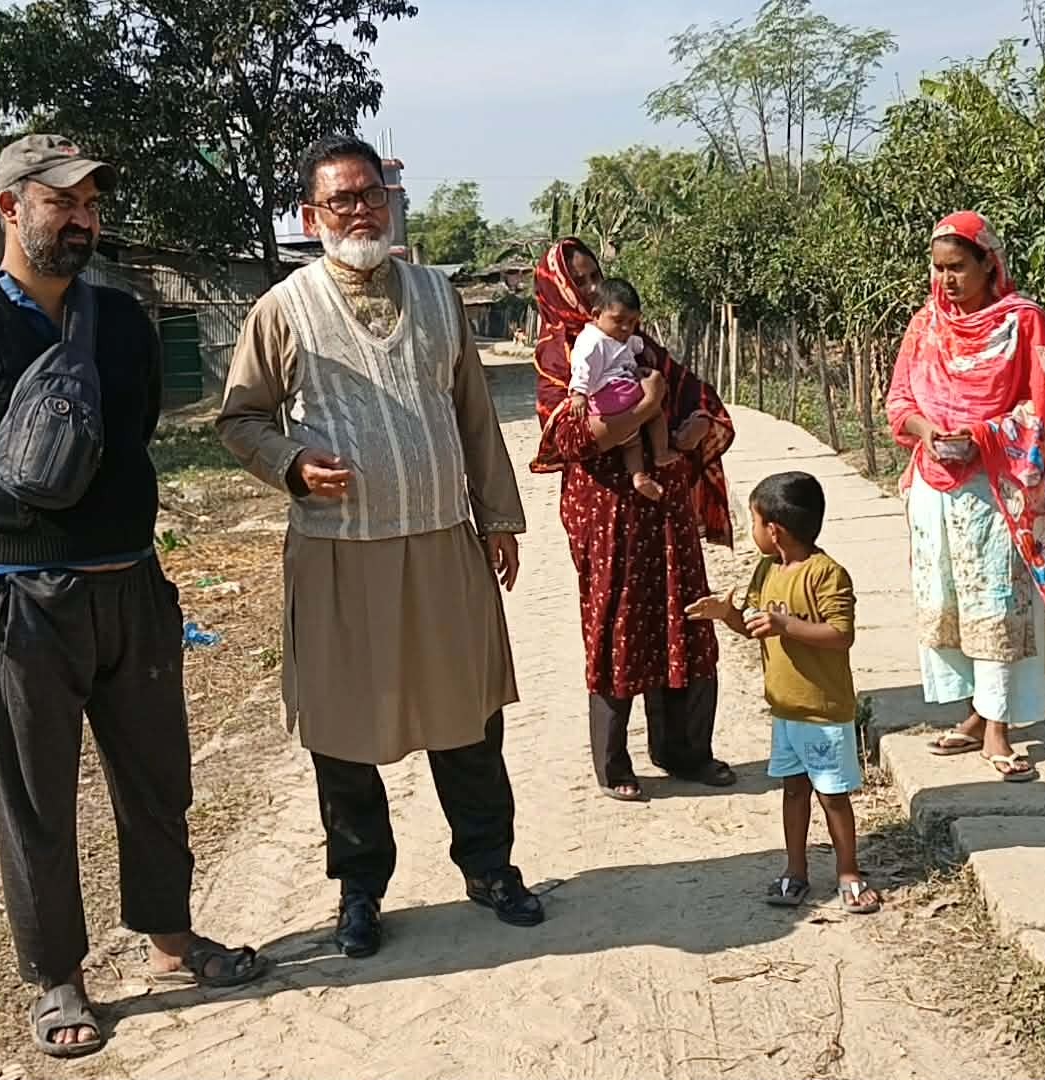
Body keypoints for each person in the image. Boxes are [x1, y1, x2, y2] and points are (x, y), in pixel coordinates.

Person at [0, 134, 264, 1059]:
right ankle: (57, 978)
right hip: (19, 599)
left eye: (91, 204)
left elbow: (129, 434)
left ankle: (170, 940)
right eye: (63, 203)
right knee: (37, 797)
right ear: (13, 209)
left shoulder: (121, 320)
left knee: (159, 777)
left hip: (130, 583)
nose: (83, 219)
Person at [216, 135, 542, 961]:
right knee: (344, 730)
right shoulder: (283, 309)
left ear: (391, 203)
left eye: (371, 196)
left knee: (468, 716)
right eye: (340, 200)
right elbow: (240, 417)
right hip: (339, 552)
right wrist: (290, 463)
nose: (360, 211)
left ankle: (490, 867)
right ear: (310, 216)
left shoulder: (440, 296)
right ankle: (360, 889)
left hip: (440, 540)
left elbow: (475, 415)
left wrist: (497, 517)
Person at [883, 210, 1045, 783]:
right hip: (934, 485)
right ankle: (975, 711)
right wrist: (929, 433)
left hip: (997, 485)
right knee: (948, 599)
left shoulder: (1024, 323)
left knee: (997, 602)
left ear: (987, 264)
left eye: (958, 267)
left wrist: (981, 436)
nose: (946, 280)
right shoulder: (926, 325)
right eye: (938, 268)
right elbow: (899, 402)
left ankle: (999, 726)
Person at [531, 238, 737, 802]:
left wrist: (696, 421)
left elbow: (693, 390)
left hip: (663, 506)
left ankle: (686, 751)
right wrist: (646, 409)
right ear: (557, 290)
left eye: (596, 275)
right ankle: (614, 760)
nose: (593, 288)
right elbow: (570, 437)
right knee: (617, 622)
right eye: (581, 281)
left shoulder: (635, 339)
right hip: (607, 513)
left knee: (685, 615)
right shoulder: (558, 356)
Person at [687, 472, 879, 913]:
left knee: (833, 797)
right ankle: (796, 870)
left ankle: (848, 871)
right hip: (785, 710)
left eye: (753, 522)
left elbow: (840, 634)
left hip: (824, 713)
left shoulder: (827, 574)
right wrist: (727, 614)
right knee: (794, 792)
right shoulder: (766, 571)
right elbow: (754, 625)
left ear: (773, 530)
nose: (751, 530)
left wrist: (785, 625)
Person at [567, 277, 671, 500]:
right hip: (611, 398)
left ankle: (638, 475)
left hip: (618, 406)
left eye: (632, 322)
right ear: (596, 315)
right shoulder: (592, 341)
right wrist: (579, 393)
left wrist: (646, 351)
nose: (626, 327)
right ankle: (661, 452)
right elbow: (581, 365)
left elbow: (634, 344)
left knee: (632, 444)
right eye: (619, 320)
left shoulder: (618, 336)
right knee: (656, 409)